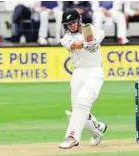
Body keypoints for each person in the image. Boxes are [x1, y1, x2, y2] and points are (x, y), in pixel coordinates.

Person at [59, 9, 107, 149]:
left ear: (79, 20)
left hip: (95, 71)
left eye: (73, 22)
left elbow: (101, 34)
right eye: (68, 24)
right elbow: (74, 45)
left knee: (82, 102)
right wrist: (87, 44)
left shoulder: (89, 28)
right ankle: (98, 129)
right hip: (78, 73)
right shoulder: (66, 38)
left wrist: (94, 40)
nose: (72, 26)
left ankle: (72, 137)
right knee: (78, 112)